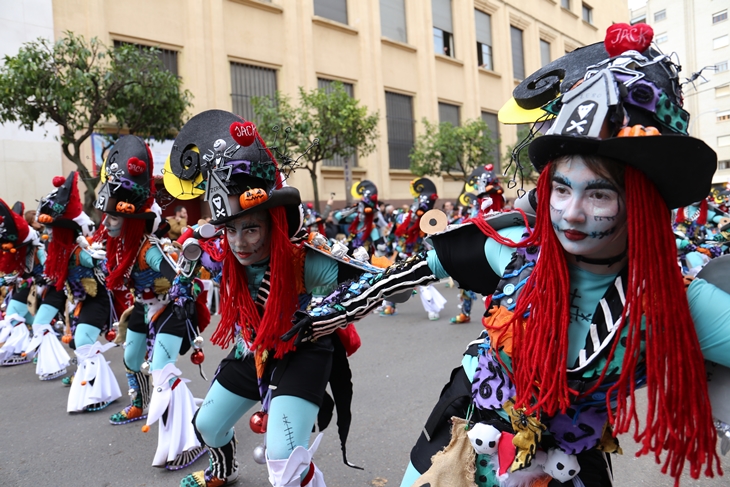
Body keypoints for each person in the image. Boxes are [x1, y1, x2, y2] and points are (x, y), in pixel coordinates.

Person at [287, 24, 730, 486]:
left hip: (566, 456)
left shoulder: (677, 299)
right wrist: (330, 312)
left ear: (642, 201)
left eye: (599, 195)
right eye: (560, 188)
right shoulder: (519, 248)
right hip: (465, 426)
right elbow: (417, 266)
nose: (571, 214)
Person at [166, 110, 365, 487]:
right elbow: (189, 269)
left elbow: (361, 286)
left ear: (273, 224)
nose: (239, 242)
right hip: (253, 348)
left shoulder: (304, 258)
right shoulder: (225, 255)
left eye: (251, 229)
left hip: (302, 349)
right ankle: (222, 468)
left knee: (282, 457)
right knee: (207, 425)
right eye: (231, 230)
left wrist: (332, 305)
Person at [96, 135, 207, 470]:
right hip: (145, 310)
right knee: (131, 358)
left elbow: (188, 282)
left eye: (114, 218)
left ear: (132, 220)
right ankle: (140, 404)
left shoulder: (150, 250)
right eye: (108, 216)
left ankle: (190, 435)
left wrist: (182, 291)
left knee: (162, 371)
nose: (107, 223)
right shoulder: (118, 247)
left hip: (171, 312)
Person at [28, 171, 109, 385]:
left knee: (83, 340)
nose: (49, 234)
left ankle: (97, 384)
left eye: (53, 229)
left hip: (96, 300)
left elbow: (104, 264)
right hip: (76, 302)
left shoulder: (78, 252)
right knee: (78, 342)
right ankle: (84, 373)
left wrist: (99, 257)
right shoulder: (60, 253)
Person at [0, 200, 45, 365]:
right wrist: (6, 279)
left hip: (35, 286)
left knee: (12, 315)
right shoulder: (18, 251)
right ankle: (41, 349)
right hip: (24, 285)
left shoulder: (37, 249)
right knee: (33, 321)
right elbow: (14, 271)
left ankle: (21, 351)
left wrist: (42, 277)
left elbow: (47, 267)